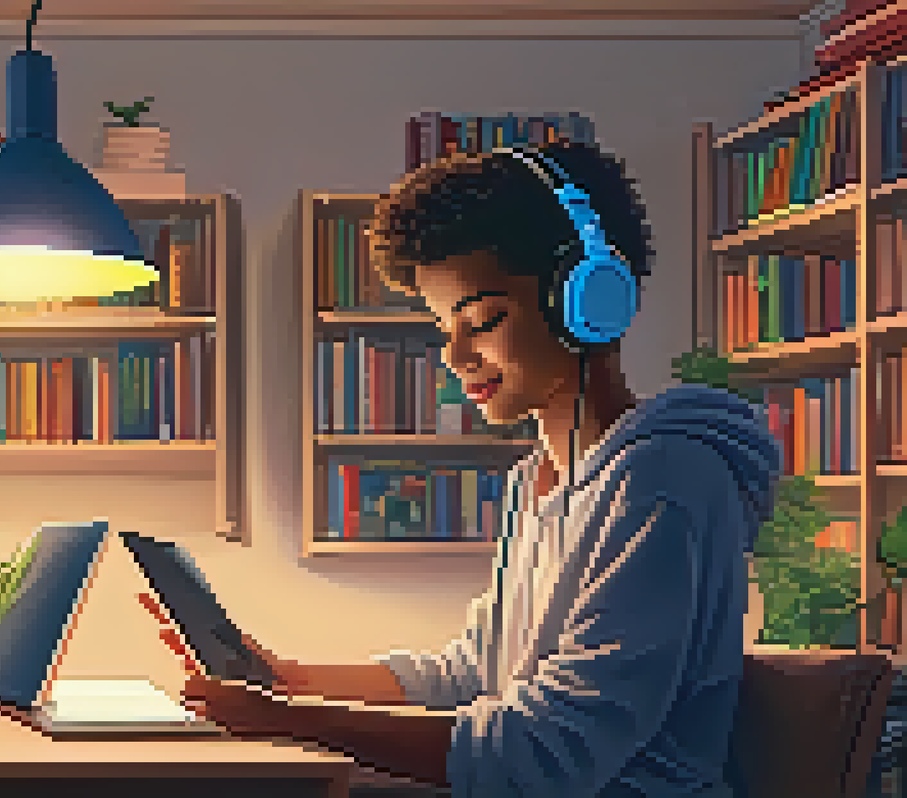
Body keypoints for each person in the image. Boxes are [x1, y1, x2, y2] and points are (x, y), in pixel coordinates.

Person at [148, 141, 782, 798]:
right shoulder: (536, 482)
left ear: (589, 300)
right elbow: (472, 674)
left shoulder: (662, 482)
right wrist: (290, 681)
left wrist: (288, 721)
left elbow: (548, 753)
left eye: (483, 320)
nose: (454, 355)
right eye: (444, 326)